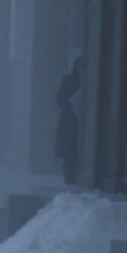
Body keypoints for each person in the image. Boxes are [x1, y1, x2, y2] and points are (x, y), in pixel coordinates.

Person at [55, 56, 82, 185]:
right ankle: (69, 178)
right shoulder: (69, 81)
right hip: (70, 122)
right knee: (69, 153)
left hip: (79, 123)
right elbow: (59, 100)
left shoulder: (91, 82)